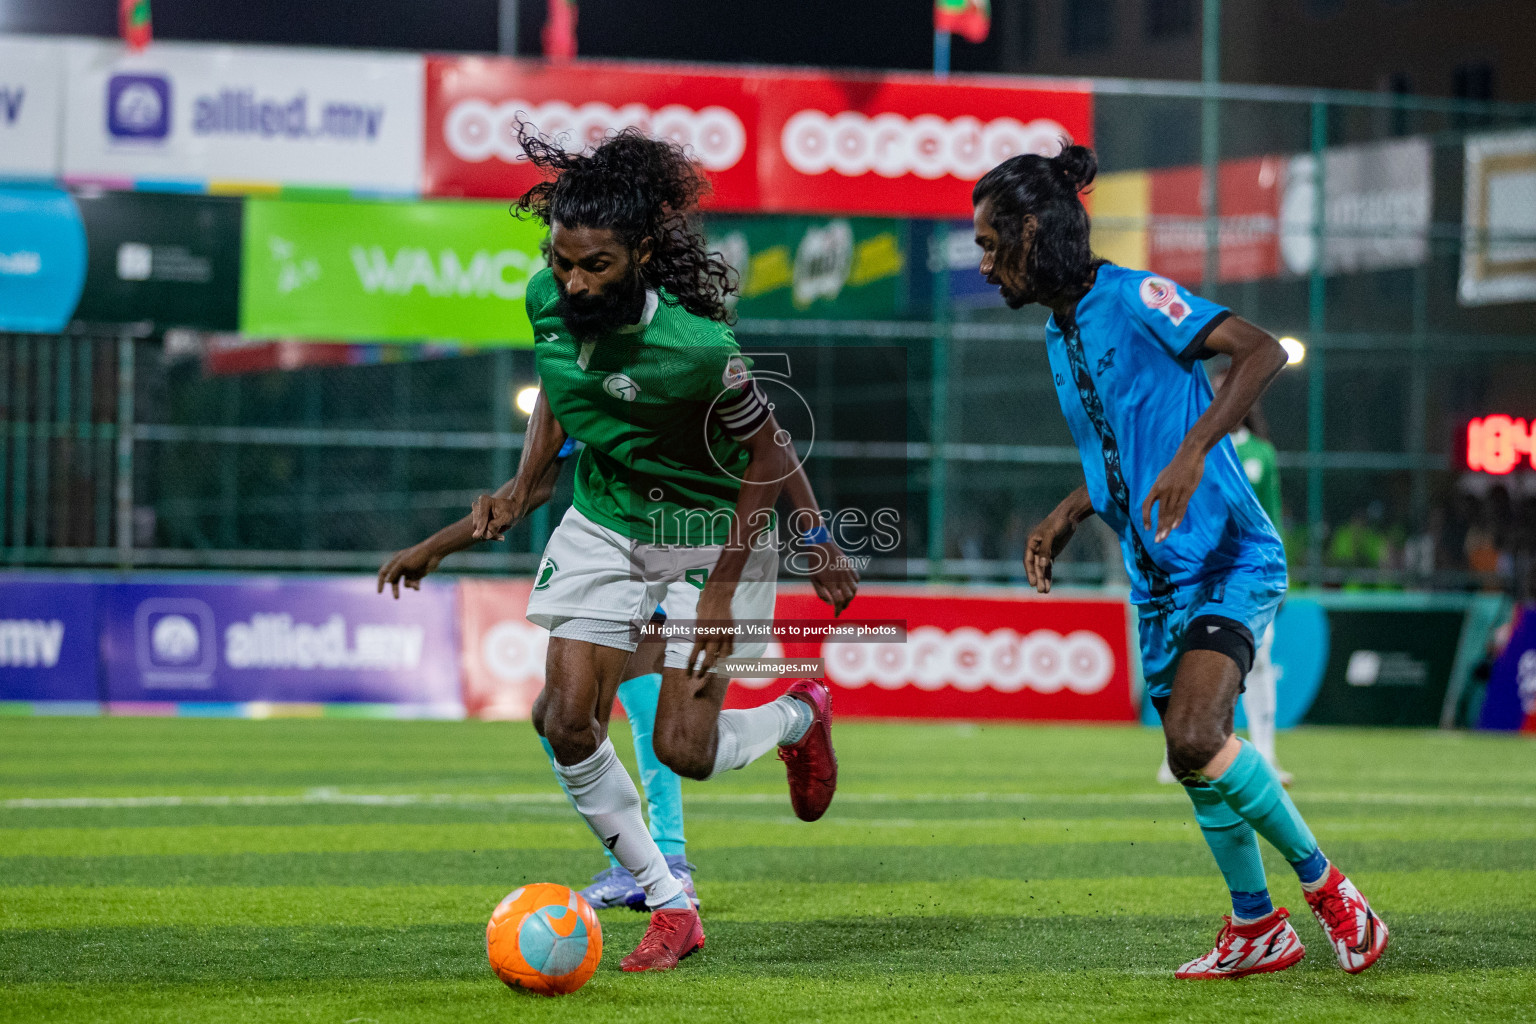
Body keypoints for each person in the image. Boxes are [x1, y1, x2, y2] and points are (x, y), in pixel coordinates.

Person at [379, 126, 858, 973]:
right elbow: (560, 399)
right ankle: (671, 906)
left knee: (685, 748)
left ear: (639, 252)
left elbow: (769, 450)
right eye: (562, 261)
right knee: (563, 721)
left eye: (594, 266)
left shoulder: (699, 350)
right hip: (603, 519)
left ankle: (799, 714)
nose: (572, 281)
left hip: (706, 533)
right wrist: (485, 514)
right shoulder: (546, 300)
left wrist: (786, 553)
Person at [971, 143, 1388, 979]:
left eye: (989, 243)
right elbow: (1119, 451)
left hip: (1228, 557)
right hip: (1157, 576)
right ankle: (1254, 924)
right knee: (1192, 753)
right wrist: (1067, 510)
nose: (983, 265)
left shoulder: (1133, 297)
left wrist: (1199, 446)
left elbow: (1261, 349)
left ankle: (1331, 891)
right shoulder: (1059, 335)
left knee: (1197, 735)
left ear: (1030, 229)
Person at [1158, 371, 1290, 786]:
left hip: (1249, 573)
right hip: (1197, 571)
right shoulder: (1192, 451)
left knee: (1259, 659)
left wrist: (1278, 573)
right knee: (1186, 659)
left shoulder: (1261, 454)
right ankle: (1176, 754)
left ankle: (1266, 753)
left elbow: (1272, 517)